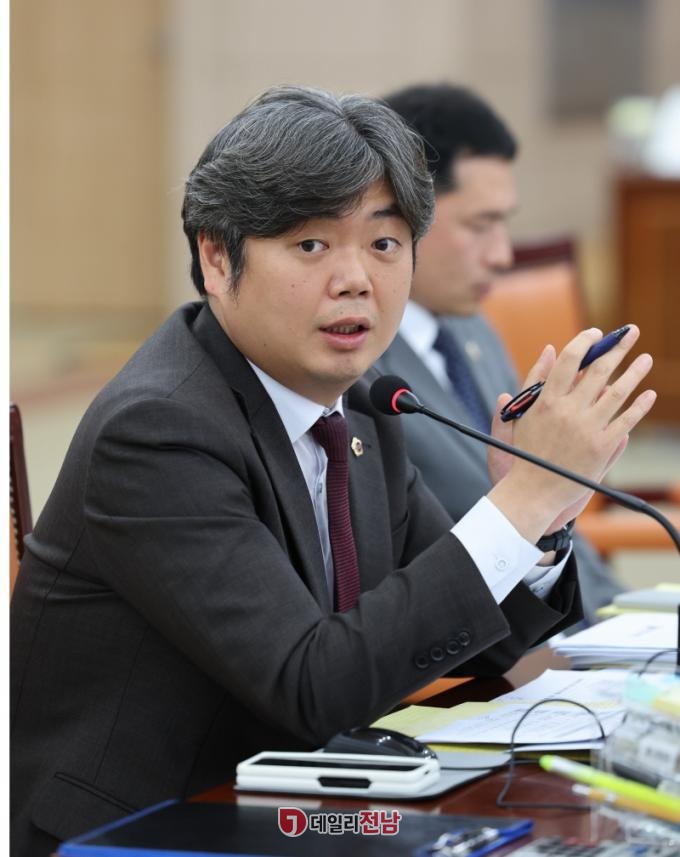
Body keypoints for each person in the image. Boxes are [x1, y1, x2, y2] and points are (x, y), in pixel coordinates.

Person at [10, 86, 654, 856]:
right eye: (312, 245)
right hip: (147, 828)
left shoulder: (363, 404)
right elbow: (313, 685)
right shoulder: (158, 429)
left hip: (298, 804)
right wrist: (521, 498)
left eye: (383, 243)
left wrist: (542, 520)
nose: (356, 279)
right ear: (216, 257)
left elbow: (482, 638)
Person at [377, 83, 625, 623]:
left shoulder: (472, 329)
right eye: (480, 224)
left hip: (579, 616)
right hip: (481, 641)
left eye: (503, 222)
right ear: (401, 216)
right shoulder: (358, 369)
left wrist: (623, 614)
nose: (503, 255)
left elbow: (554, 513)